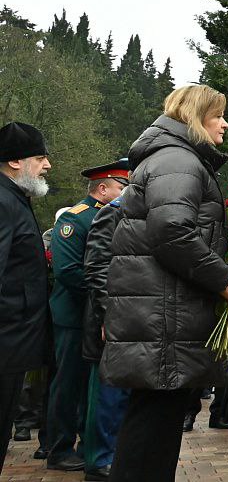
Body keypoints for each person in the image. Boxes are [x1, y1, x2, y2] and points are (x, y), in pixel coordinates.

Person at [101, 85, 228, 482]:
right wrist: (224, 281)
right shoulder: (177, 160)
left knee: (153, 428)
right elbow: (172, 232)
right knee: (152, 432)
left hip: (162, 313)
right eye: (218, 115)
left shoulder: (173, 158)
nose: (225, 123)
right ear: (196, 118)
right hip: (165, 317)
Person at [44, 159, 128, 473]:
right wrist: (102, 298)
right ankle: (59, 448)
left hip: (93, 315)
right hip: (74, 315)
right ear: (102, 188)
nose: (125, 193)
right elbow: (68, 271)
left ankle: (85, 442)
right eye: (121, 187)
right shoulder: (75, 219)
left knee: (88, 385)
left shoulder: (113, 216)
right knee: (68, 384)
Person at [0, 122, 54, 475]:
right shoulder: (4, 201)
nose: (47, 165)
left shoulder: (14, 197)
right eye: (39, 157)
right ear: (15, 162)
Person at [81, 194, 131, 480]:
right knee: (108, 396)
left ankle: (115, 456)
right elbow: (97, 269)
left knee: (123, 394)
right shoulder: (111, 213)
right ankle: (99, 461)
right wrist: (108, 314)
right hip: (110, 320)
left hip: (132, 319)